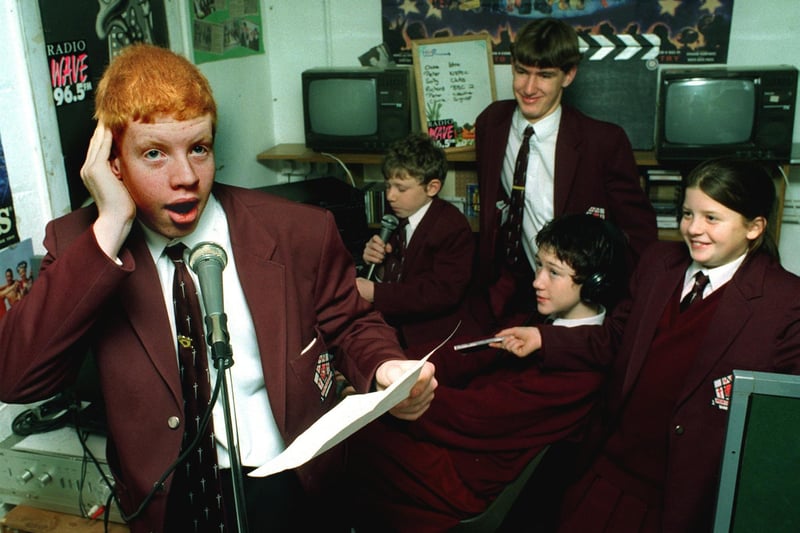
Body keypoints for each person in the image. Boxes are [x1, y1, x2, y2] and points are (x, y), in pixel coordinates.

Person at [0, 43, 436, 533]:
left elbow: (351, 322)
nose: (186, 177)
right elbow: (18, 380)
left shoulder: (298, 230)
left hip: (291, 478)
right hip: (168, 498)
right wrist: (110, 224)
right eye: (153, 154)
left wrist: (386, 366)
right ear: (112, 162)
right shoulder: (81, 244)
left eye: (199, 149)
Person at [496, 157, 800, 532]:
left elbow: (777, 425)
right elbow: (617, 338)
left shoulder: (785, 302)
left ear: (754, 227)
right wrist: (544, 337)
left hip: (686, 493)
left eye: (712, 218)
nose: (694, 229)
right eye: (688, 214)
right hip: (610, 466)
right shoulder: (658, 264)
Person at [346, 213, 629, 532]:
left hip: (467, 473)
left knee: (348, 447)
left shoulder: (579, 371)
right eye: (539, 266)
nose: (538, 281)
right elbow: (471, 355)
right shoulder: (542, 322)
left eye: (554, 272)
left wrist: (384, 399)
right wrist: (393, 368)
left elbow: (479, 416)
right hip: (463, 445)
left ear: (595, 284)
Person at [473, 17, 656, 328]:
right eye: (521, 72)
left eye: (544, 75)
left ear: (568, 75)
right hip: (506, 294)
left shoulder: (603, 142)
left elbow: (639, 237)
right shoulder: (491, 123)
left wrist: (622, 313)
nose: (528, 88)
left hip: (577, 305)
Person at [356, 132, 474, 348]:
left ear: (432, 187)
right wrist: (378, 265)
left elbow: (440, 293)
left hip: (435, 334)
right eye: (388, 185)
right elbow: (398, 274)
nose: (391, 195)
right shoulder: (396, 215)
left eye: (401, 188)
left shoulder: (452, 227)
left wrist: (375, 292)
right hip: (394, 325)